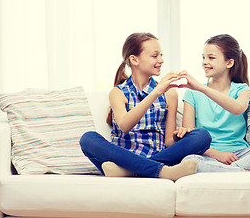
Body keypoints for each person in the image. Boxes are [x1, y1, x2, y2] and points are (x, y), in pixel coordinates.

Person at [79, 32, 211, 181]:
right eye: (155, 56)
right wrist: (156, 92)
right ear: (134, 60)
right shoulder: (118, 93)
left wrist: (181, 135)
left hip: (157, 155)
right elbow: (124, 125)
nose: (161, 60)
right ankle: (162, 171)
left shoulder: (169, 94)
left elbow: (168, 142)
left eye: (161, 55)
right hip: (123, 156)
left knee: (202, 136)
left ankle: (130, 171)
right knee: (87, 139)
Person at [179, 34, 250, 172]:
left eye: (211, 57)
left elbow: (238, 108)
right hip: (208, 155)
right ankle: (246, 170)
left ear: (229, 62)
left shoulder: (242, 90)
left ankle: (230, 170)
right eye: (203, 57)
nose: (204, 62)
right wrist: (218, 155)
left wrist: (201, 88)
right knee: (189, 161)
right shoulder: (192, 93)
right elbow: (190, 140)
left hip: (241, 154)